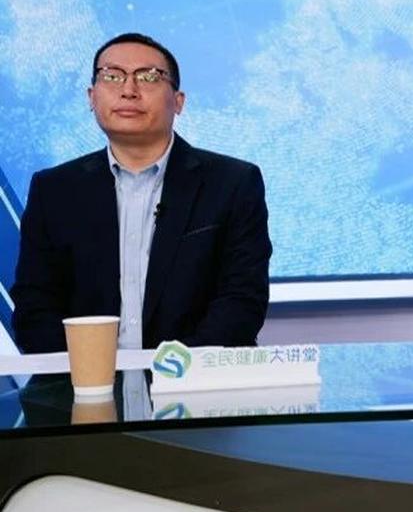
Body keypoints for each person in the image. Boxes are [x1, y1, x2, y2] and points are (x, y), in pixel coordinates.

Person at [11, 33, 272, 353]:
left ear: (178, 101)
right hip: (81, 379)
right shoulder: (54, 190)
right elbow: (34, 306)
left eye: (148, 77)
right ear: (92, 97)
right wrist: (86, 372)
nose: (129, 90)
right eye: (112, 76)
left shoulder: (233, 183)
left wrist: (173, 371)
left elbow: (241, 301)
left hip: (194, 377)